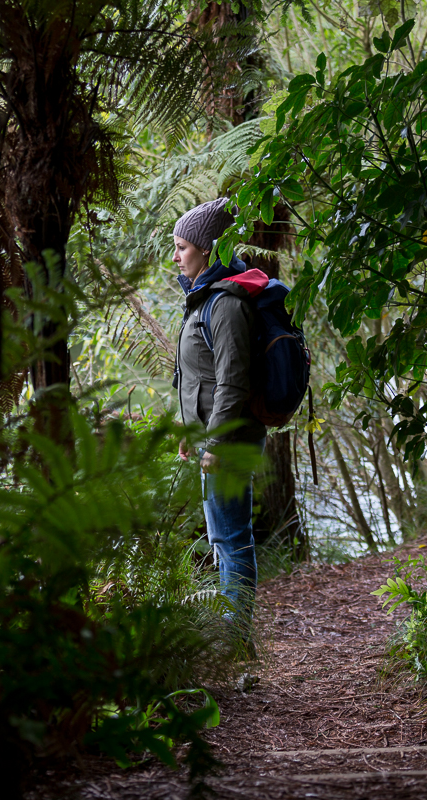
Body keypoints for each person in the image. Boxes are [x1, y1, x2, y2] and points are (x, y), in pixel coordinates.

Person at [171, 198, 267, 649]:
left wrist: (215, 440)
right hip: (213, 439)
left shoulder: (225, 305)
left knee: (231, 538)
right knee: (223, 537)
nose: (176, 256)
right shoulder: (203, 299)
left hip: (229, 440)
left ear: (207, 250)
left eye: (182, 247)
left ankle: (236, 638)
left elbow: (233, 380)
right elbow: (195, 375)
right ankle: (234, 634)